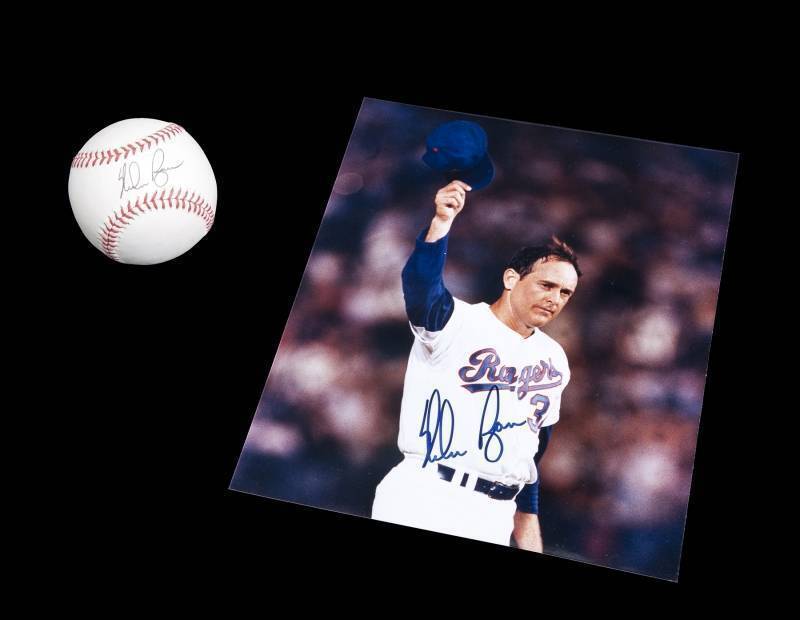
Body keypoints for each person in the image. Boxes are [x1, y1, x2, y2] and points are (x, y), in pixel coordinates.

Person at [371, 180, 581, 551]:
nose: (555, 299)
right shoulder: (457, 322)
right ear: (511, 278)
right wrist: (441, 222)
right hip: (425, 492)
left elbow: (529, 458)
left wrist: (529, 537)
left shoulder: (554, 360)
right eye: (547, 285)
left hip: (493, 514)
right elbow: (420, 287)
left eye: (565, 293)